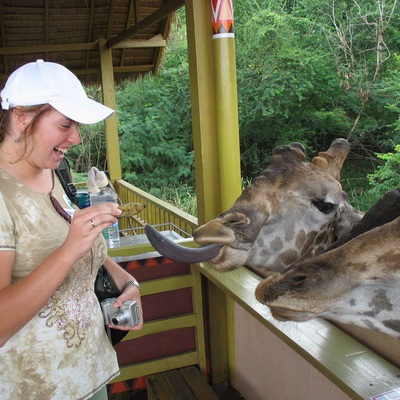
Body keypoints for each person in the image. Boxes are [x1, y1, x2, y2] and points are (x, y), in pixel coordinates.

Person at [0, 60, 143, 400]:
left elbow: (85, 246)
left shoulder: (53, 172)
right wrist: (68, 251)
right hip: (35, 388)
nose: (75, 138)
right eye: (65, 124)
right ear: (22, 118)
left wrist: (129, 284)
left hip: (89, 375)